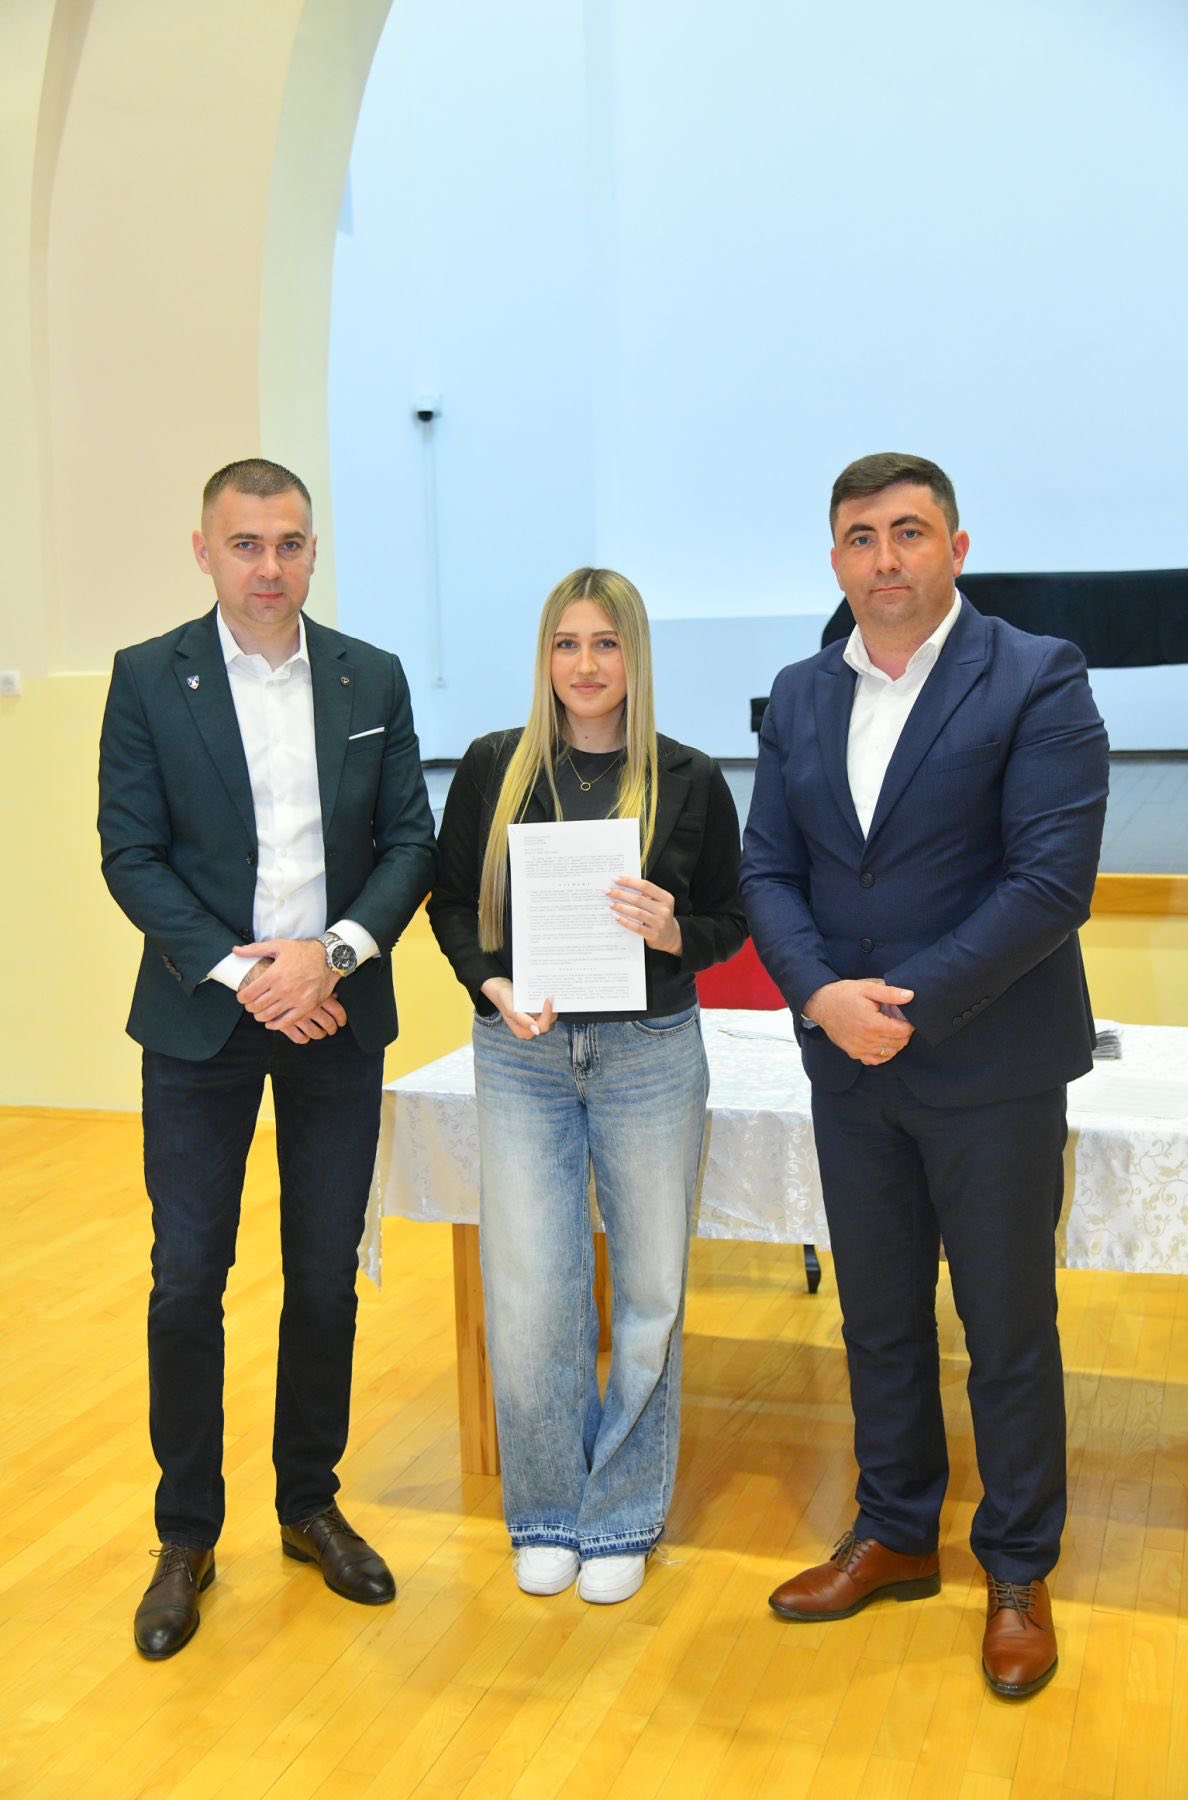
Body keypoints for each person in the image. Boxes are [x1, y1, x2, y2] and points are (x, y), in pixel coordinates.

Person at [740, 453, 1108, 1697]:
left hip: (991, 1064)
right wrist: (821, 996)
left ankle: (1017, 1568)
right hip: (848, 1065)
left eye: (908, 532)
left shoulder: (1037, 675)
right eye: (861, 537)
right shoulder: (801, 692)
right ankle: (896, 1530)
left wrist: (905, 1004)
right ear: (834, 559)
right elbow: (769, 872)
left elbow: (1050, 883)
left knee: (1007, 1329)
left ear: (956, 548)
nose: (884, 557)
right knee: (878, 1318)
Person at [98, 458, 436, 1659]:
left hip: (335, 1012)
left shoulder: (369, 676)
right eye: (245, 544)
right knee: (187, 1281)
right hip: (202, 1021)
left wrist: (327, 959)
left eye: (290, 542)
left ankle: (309, 1504)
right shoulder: (149, 677)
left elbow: (410, 843)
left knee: (324, 1276)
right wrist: (250, 976)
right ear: (205, 551)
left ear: (312, 550)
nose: (269, 565)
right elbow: (131, 854)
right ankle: (186, 1533)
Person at [427, 568, 745, 1604]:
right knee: (531, 1288)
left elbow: (731, 919)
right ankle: (548, 1512)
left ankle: (621, 1517)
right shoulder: (495, 767)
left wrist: (674, 932)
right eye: (566, 643)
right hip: (521, 1054)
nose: (586, 664)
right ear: (545, 657)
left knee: (650, 1290)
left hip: (650, 1053)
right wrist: (490, 982)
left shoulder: (690, 778)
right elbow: (447, 902)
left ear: (635, 656)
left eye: (606, 643)